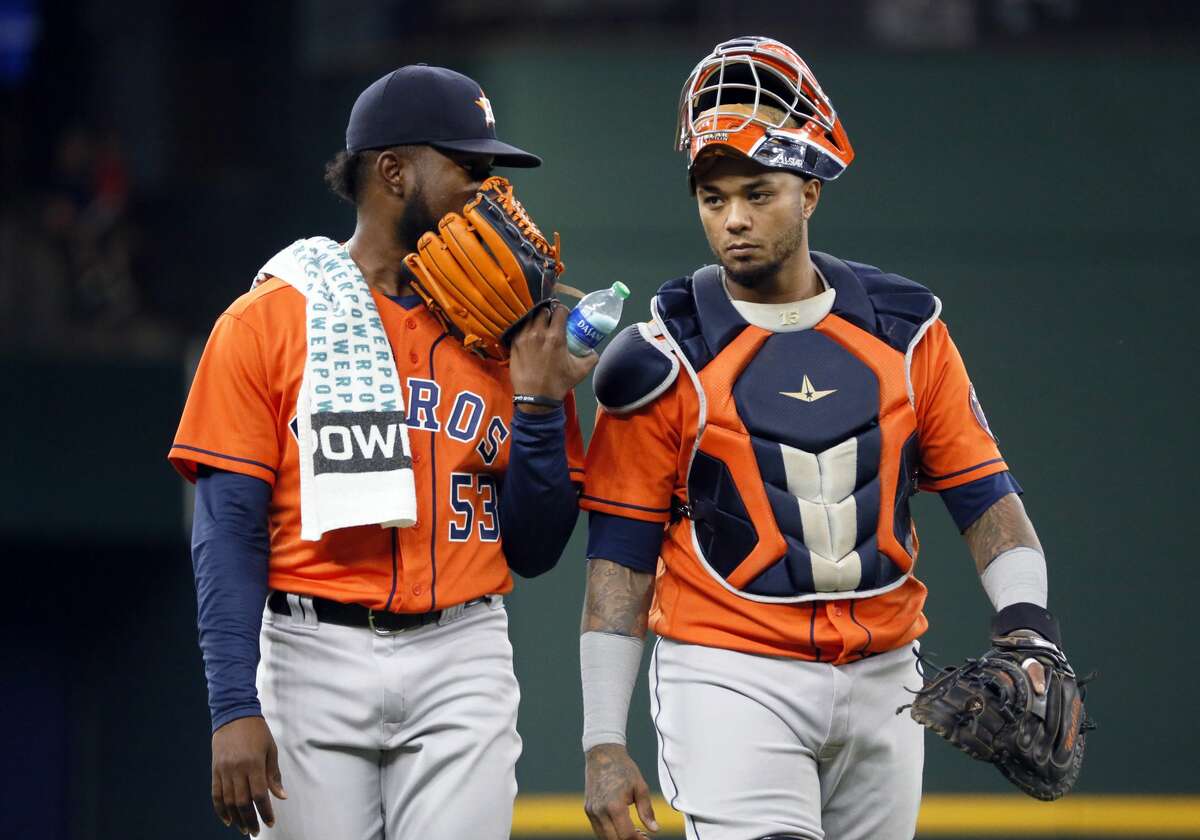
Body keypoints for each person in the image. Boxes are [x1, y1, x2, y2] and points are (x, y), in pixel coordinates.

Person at [577, 35, 1067, 840]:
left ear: (809, 191)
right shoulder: (664, 356)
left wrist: (1028, 625)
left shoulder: (908, 331)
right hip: (731, 677)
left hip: (887, 679)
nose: (733, 218)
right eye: (712, 197)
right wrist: (602, 741)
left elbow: (985, 497)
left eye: (757, 193)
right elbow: (619, 558)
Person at [169, 64, 594, 839]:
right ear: (393, 171)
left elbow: (535, 550)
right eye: (470, 168)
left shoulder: (509, 333)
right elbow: (227, 527)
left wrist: (537, 403)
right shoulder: (267, 320)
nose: (491, 192)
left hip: (462, 655)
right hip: (310, 653)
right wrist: (233, 704)